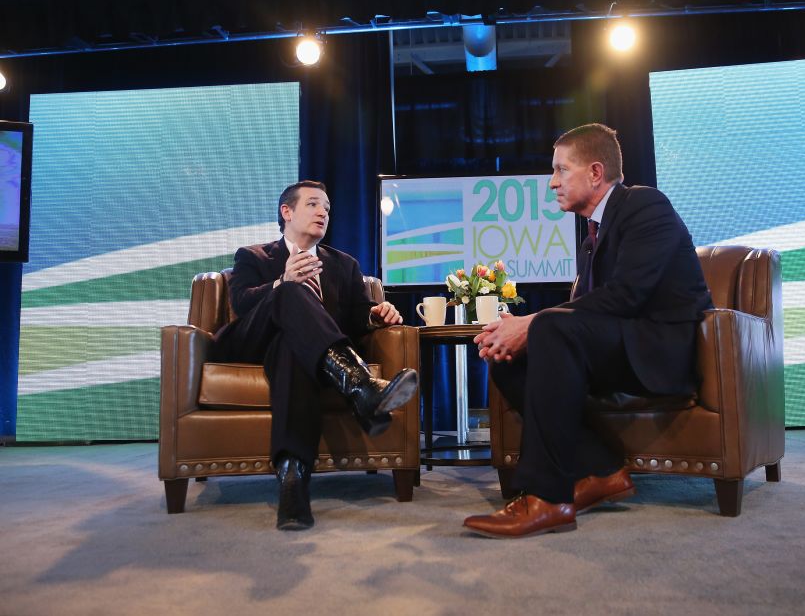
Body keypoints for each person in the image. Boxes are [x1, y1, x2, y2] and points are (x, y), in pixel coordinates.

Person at [464, 124, 713, 538]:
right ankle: (602, 470)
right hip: (622, 346)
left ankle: (547, 497)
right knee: (508, 358)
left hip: (657, 351)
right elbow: (592, 313)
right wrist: (520, 332)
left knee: (549, 329)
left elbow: (626, 296)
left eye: (561, 170)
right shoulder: (590, 236)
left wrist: (534, 322)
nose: (552, 183)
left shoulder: (645, 205)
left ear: (596, 173)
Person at [213, 180, 417, 531]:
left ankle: (293, 483)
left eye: (327, 207)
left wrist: (376, 314)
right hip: (251, 343)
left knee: (291, 350)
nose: (323, 212)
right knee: (289, 292)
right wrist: (282, 281)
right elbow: (242, 303)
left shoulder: (343, 265)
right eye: (313, 204)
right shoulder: (253, 256)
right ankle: (359, 384)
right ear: (287, 212)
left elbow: (356, 316)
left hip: (297, 352)